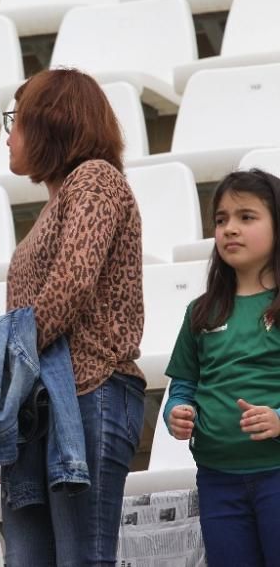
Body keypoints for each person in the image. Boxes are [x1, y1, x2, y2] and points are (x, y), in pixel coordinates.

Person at [0, 68, 147, 566]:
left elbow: (69, 288)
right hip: (39, 410)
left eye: (17, 119)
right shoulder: (55, 203)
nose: (9, 135)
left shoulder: (96, 178)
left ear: (52, 121)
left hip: (89, 393)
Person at [164, 169, 280, 566]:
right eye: (221, 219)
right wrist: (174, 413)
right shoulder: (199, 311)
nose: (230, 228)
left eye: (246, 217)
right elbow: (183, 384)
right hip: (216, 480)